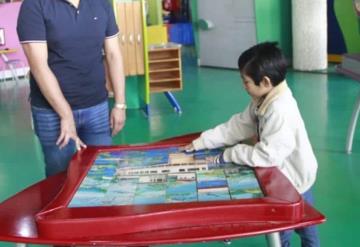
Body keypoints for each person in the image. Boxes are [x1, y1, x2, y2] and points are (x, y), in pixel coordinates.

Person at [183, 42, 320, 246]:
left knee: (291, 231)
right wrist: (202, 141)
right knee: (300, 227)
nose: (243, 86)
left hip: (295, 180)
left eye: (245, 81)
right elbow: (238, 126)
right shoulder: (264, 98)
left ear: (265, 81)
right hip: (282, 175)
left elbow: (267, 156)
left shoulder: (280, 110)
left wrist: (230, 154)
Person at [17, 0, 126, 177]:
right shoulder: (34, 5)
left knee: (103, 174)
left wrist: (120, 104)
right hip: (51, 112)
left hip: (97, 106)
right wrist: (65, 115)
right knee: (61, 178)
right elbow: (39, 66)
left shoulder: (101, 4)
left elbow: (113, 54)